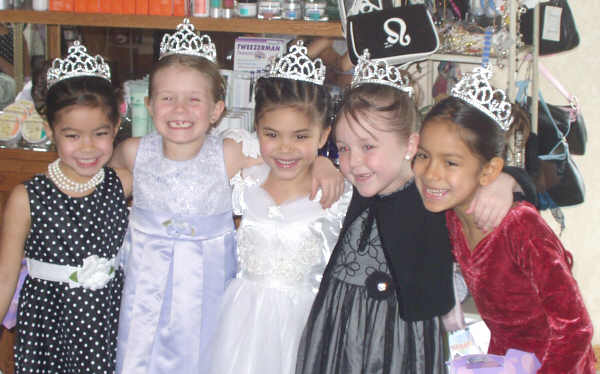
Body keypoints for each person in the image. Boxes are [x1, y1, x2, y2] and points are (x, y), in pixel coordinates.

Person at [110, 20, 343, 374]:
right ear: (149, 103)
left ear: (217, 109)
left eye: (193, 99)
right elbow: (103, 191)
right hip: (145, 293)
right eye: (168, 98)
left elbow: (283, 151)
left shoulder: (229, 153)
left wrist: (325, 161)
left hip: (205, 294)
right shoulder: (131, 152)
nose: (180, 110)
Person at [295, 51, 535, 374]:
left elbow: (525, 194)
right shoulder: (359, 185)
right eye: (344, 148)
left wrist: (508, 181)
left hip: (401, 341)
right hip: (337, 329)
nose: (353, 162)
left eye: (368, 147)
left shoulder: (431, 193)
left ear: (410, 145)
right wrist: (324, 160)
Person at [412, 65, 596, 373]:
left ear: (488, 171)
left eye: (451, 162)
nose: (431, 173)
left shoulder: (520, 227)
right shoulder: (452, 216)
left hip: (557, 364)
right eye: (423, 155)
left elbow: (576, 328)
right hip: (503, 361)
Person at [207, 41, 353, 374]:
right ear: (256, 130)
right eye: (271, 134)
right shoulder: (244, 183)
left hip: (308, 327)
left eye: (301, 137)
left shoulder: (336, 195)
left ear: (322, 135)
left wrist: (326, 163)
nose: (285, 148)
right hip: (242, 327)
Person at [0, 41, 131, 373]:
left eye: (100, 133)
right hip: (48, 326)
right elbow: (5, 277)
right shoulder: (27, 197)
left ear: (116, 127)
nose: (87, 147)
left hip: (107, 321)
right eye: (72, 135)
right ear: (50, 131)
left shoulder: (123, 183)